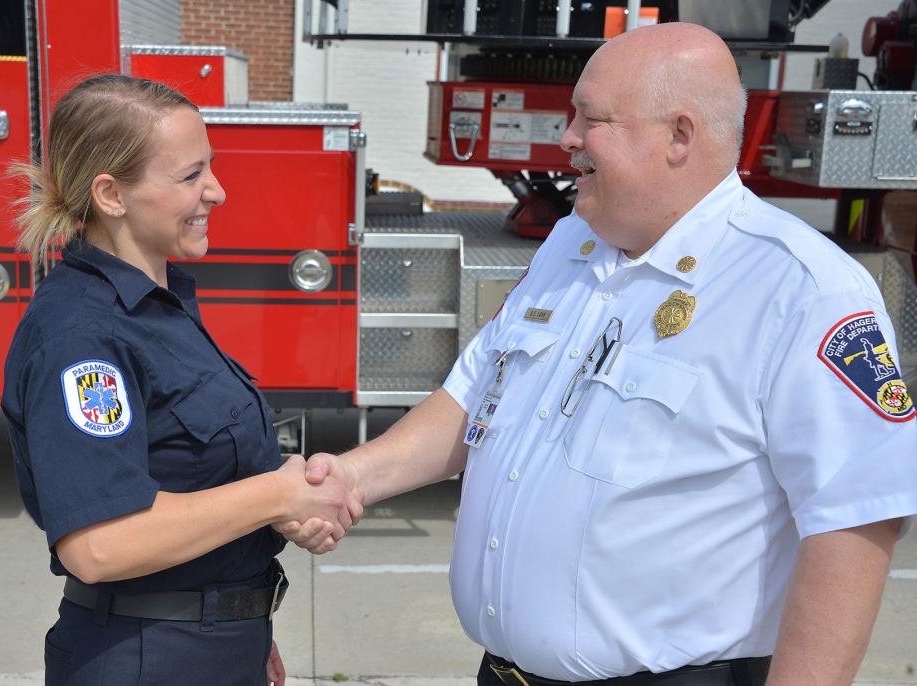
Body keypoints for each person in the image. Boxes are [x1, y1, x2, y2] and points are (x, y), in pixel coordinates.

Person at [287, 22, 917, 686]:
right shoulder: (571, 244)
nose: (566, 138)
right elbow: (472, 402)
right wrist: (352, 479)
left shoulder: (800, 290)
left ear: (678, 135)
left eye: (590, 119)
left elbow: (853, 521)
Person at [2, 74, 359, 686]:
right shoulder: (83, 336)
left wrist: (244, 622)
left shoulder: (160, 306)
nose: (216, 191)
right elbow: (100, 545)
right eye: (191, 175)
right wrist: (278, 495)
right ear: (112, 194)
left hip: (211, 647)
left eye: (210, 168)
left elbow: (193, 479)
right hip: (148, 657)